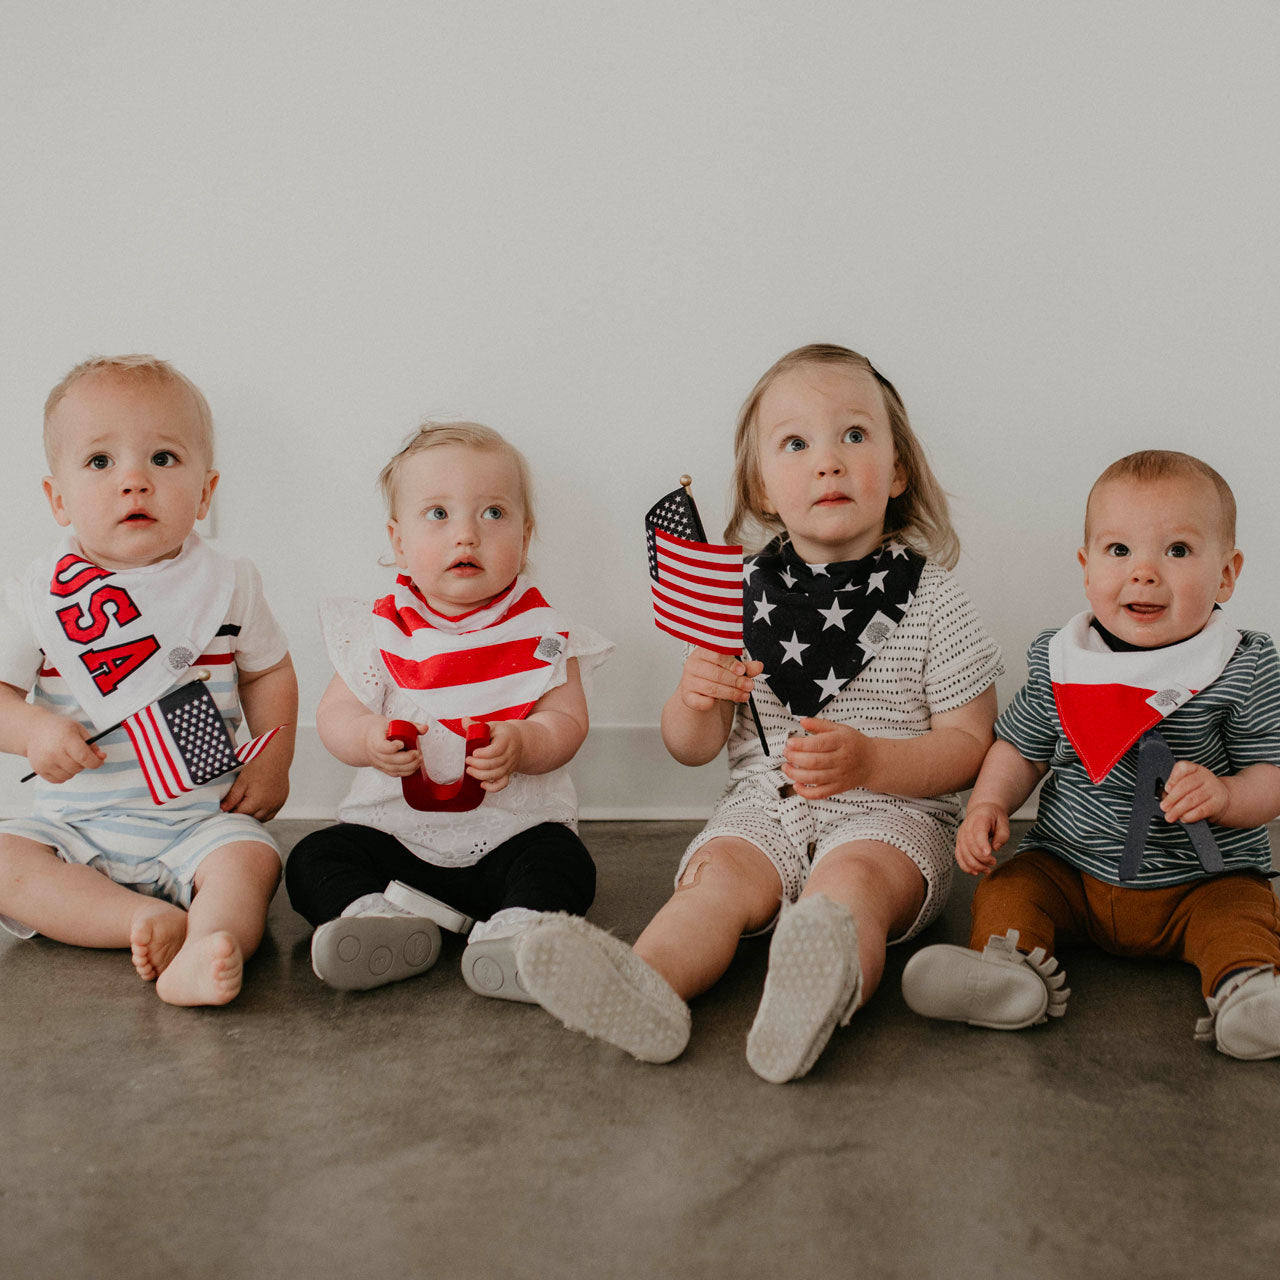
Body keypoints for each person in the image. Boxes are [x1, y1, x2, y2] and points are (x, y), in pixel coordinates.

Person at [517, 343, 1002, 1081]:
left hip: (893, 815)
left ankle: (814, 995)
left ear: (898, 472)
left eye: (855, 436)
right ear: (764, 487)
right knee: (716, 881)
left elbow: (970, 744)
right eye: (796, 443)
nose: (829, 461)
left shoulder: (934, 598)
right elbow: (691, 746)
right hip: (764, 807)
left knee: (853, 893)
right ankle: (644, 985)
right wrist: (694, 698)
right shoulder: (734, 596)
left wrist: (873, 762)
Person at [902, 451, 1280, 1060]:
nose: (1144, 573)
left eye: (1178, 551)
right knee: (1012, 887)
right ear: (1086, 568)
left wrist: (1230, 795)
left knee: (1242, 914)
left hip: (1200, 881)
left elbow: (1273, 773)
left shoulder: (1242, 664)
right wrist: (990, 803)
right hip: (1072, 870)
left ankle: (1248, 994)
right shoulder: (1065, 662)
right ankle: (1007, 972)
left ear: (1228, 575)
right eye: (1119, 551)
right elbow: (1019, 749)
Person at [0, 355, 297, 1006]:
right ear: (57, 498)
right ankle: (140, 922)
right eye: (100, 463)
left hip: (200, 818)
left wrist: (273, 761)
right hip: (76, 825)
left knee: (253, 863)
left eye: (162, 459)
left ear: (206, 491)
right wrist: (33, 731)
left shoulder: (230, 584)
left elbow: (269, 669)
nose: (133, 481)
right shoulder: (38, 599)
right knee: (4, 863)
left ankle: (210, 942)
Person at [285, 422, 611, 996]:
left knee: (565, 863)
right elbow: (334, 715)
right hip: (397, 843)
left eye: (493, 514)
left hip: (510, 838)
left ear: (526, 534)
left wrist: (526, 742)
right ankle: (374, 921)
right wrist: (367, 738)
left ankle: (518, 933)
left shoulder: (543, 634)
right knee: (314, 856)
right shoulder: (378, 633)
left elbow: (567, 722)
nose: (467, 534)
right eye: (438, 514)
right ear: (398, 540)